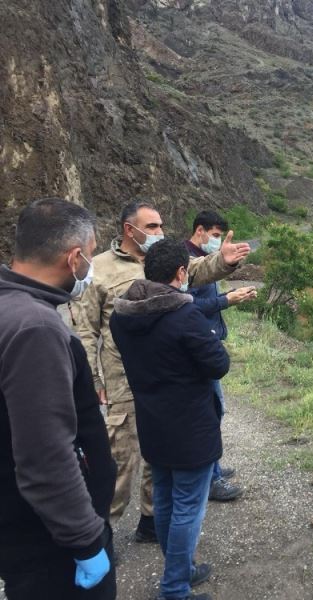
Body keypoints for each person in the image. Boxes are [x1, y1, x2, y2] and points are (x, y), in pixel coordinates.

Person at [72, 201, 249, 543]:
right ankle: (101, 533)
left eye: (160, 226)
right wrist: (93, 381)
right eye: (152, 227)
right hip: (123, 379)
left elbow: (195, 270)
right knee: (120, 458)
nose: (159, 233)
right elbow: (85, 331)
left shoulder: (160, 261)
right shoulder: (100, 270)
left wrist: (222, 261)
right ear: (129, 229)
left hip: (162, 379)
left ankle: (151, 522)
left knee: (160, 456)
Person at [0, 198, 117, 599]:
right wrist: (86, 541)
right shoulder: (35, 328)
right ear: (74, 257)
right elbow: (45, 454)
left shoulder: (11, 308)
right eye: (91, 252)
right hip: (52, 543)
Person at [110, 239, 228, 600]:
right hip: (191, 427)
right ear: (181, 273)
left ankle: (182, 571)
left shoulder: (122, 315)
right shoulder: (184, 315)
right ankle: (175, 586)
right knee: (188, 507)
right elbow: (218, 364)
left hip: (153, 421)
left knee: (163, 497)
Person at [185, 211, 257, 502]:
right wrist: (228, 299)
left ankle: (213, 468)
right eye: (214, 236)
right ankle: (210, 479)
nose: (217, 242)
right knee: (210, 413)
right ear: (199, 231)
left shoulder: (205, 260)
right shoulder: (186, 262)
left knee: (214, 410)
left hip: (208, 342)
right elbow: (189, 306)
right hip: (197, 347)